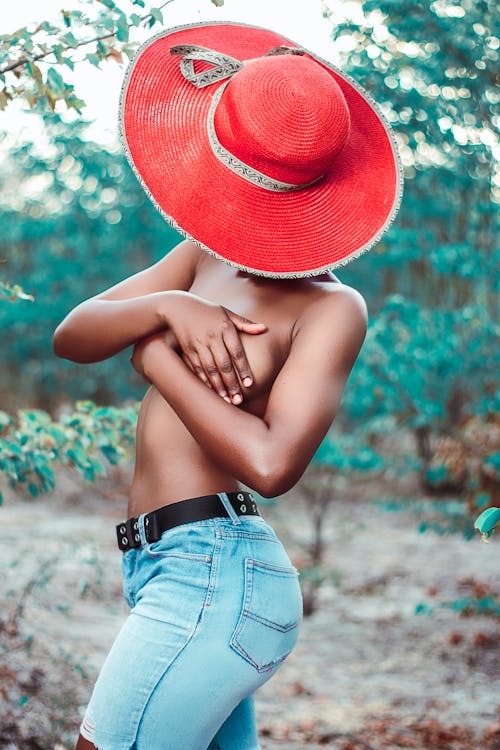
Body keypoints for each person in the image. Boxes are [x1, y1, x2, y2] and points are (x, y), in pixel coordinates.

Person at [53, 20, 403, 750]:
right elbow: (74, 334)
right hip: (158, 568)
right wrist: (166, 307)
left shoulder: (331, 307)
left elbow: (274, 465)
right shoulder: (198, 258)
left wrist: (158, 364)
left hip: (216, 575)